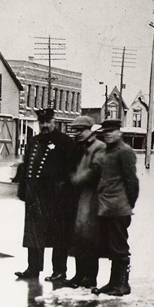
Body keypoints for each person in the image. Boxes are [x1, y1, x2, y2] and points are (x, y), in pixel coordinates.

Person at [15, 108, 77, 282]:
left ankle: (59, 271)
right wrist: (23, 188)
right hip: (35, 196)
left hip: (56, 197)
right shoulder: (34, 141)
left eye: (48, 122)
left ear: (54, 122)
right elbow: (26, 166)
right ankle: (33, 268)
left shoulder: (64, 141)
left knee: (58, 235)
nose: (45, 125)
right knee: (33, 234)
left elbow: (71, 168)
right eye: (42, 122)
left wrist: (66, 192)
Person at [92, 119, 139, 297]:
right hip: (106, 207)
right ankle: (113, 283)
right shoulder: (106, 151)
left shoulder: (124, 152)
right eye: (105, 132)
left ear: (120, 132)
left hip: (118, 208)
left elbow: (132, 182)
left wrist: (127, 204)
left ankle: (122, 284)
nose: (108, 134)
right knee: (111, 246)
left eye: (112, 131)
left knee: (119, 247)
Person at [62, 116, 106, 289]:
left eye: (81, 130)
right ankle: (79, 275)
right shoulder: (80, 147)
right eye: (76, 130)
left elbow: (95, 172)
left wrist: (75, 179)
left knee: (90, 238)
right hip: (78, 196)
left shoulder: (98, 148)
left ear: (90, 130)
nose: (78, 133)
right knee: (78, 236)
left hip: (92, 196)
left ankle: (89, 277)